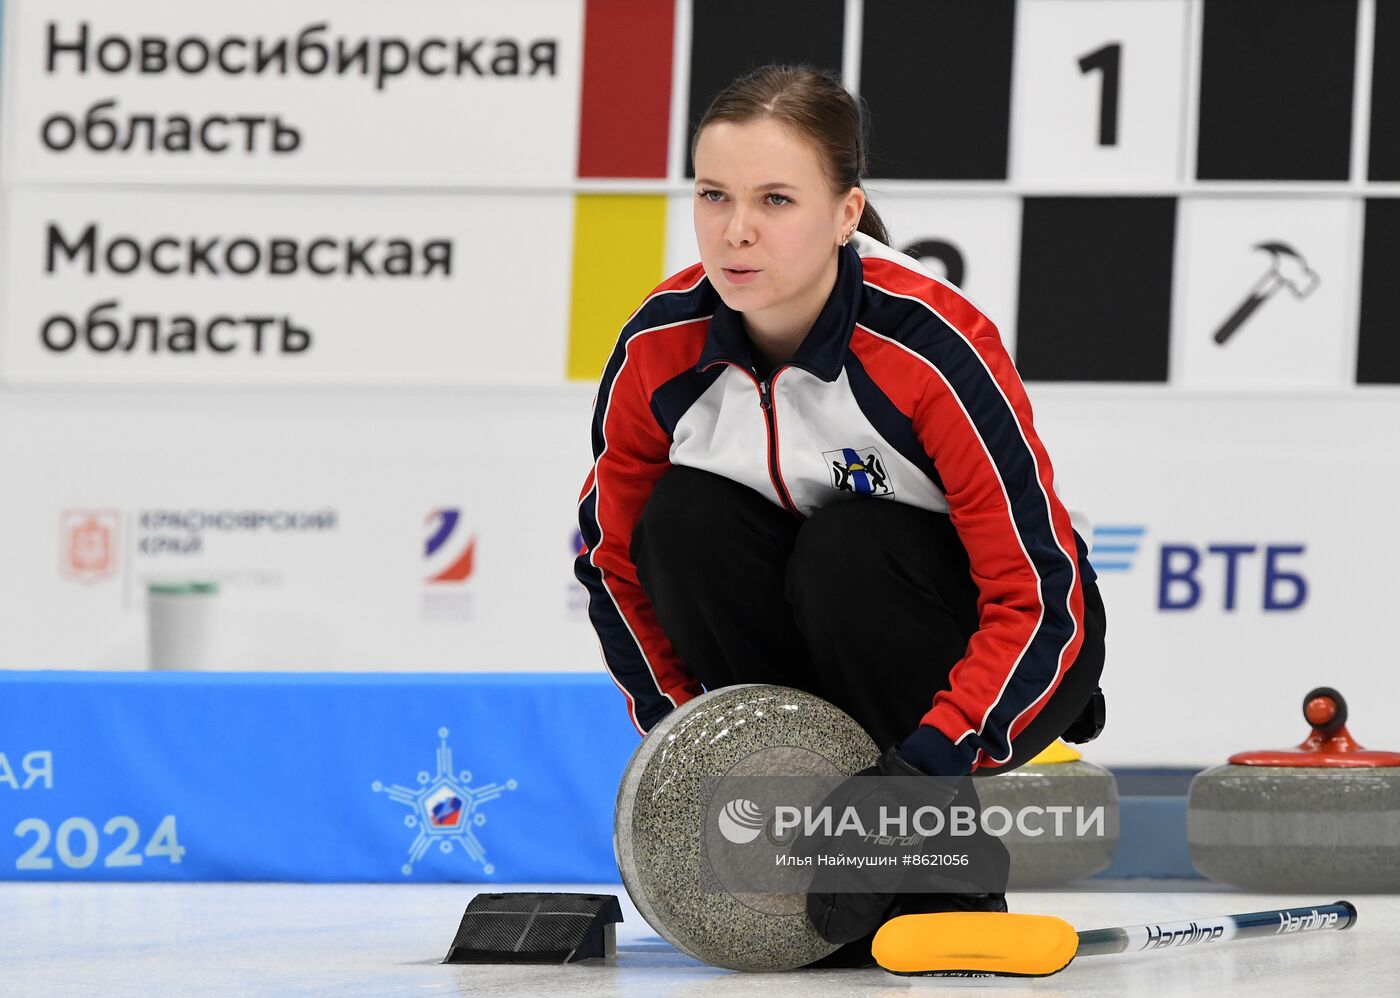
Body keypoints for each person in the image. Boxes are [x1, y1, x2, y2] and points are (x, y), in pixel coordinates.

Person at [573, 64, 1107, 966]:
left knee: (849, 547)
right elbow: (612, 564)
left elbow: (1039, 595)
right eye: (713, 195)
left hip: (1002, 639)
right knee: (683, 521)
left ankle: (938, 867)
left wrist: (919, 778)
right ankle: (802, 825)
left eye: (777, 200)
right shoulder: (658, 347)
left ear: (847, 213)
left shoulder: (928, 345)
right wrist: (700, 748)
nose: (735, 231)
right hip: (807, 618)